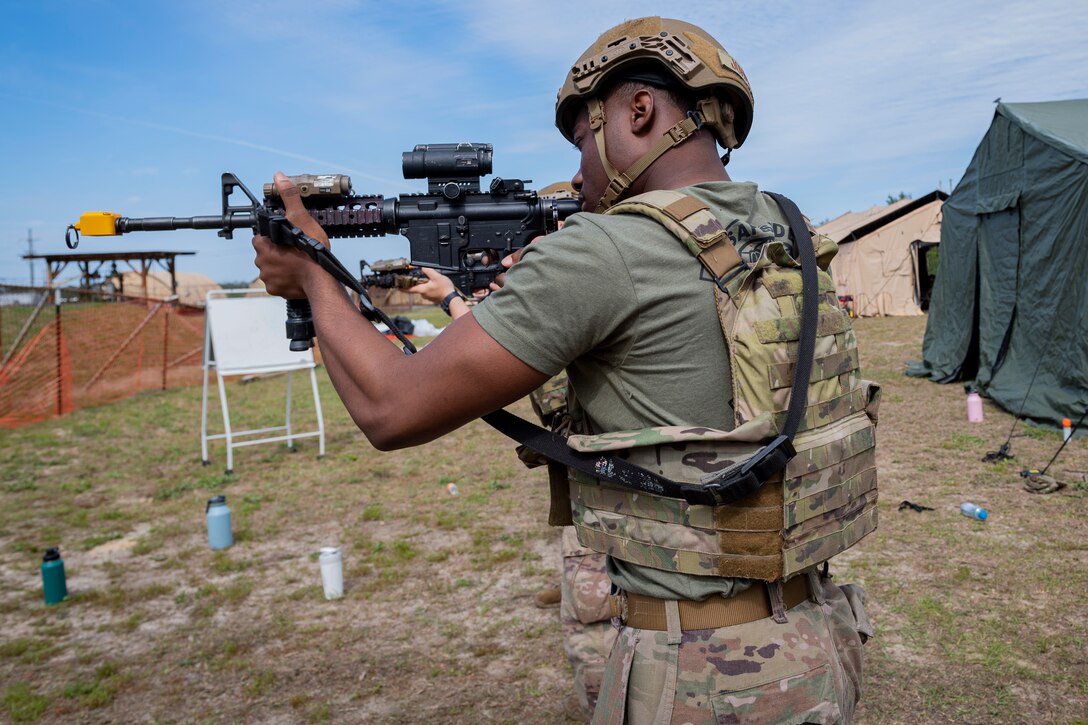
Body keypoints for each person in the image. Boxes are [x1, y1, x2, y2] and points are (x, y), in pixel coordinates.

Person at [254, 16, 876, 723]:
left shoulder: (606, 250)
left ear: (638, 112)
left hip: (706, 676)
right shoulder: (784, 227)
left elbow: (391, 408)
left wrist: (312, 274)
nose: (579, 172)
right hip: (818, 634)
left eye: (584, 138)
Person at [403, 184, 618, 717]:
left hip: (614, 498)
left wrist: (456, 302)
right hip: (612, 488)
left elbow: (549, 396)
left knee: (596, 640)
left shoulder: (588, 283)